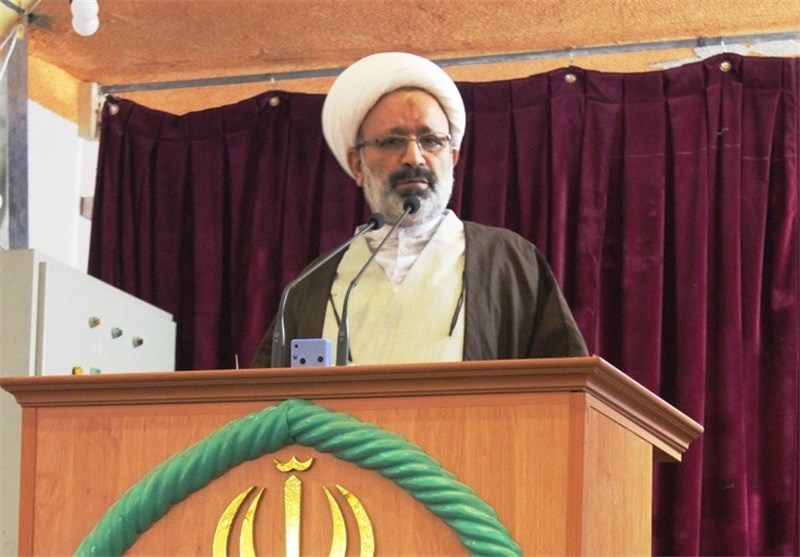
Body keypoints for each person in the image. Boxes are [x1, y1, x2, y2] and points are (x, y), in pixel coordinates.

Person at [251, 52, 587, 368]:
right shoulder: (312, 284)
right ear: (357, 164)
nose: (414, 157)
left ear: (452, 158)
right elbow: (270, 401)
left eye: (431, 141)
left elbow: (567, 387)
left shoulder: (510, 262)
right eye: (391, 141)